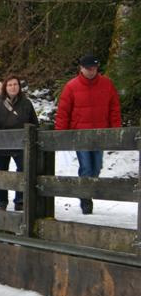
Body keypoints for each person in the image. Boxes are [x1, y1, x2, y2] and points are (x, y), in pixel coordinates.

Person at [55, 54, 122, 214]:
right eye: (88, 68)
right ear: (81, 68)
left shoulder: (107, 84)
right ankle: (85, 198)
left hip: (100, 133)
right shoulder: (71, 86)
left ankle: (87, 190)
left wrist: (116, 130)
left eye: (94, 68)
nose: (91, 71)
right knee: (86, 166)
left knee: (97, 166)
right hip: (80, 134)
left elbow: (114, 108)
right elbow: (64, 112)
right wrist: (60, 135)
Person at [0, 75, 38, 211]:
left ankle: (20, 200)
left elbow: (34, 123)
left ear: (19, 87)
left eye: (15, 84)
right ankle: (2, 202)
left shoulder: (26, 104)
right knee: (2, 173)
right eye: (10, 85)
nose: (13, 87)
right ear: (5, 88)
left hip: (21, 145)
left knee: (22, 171)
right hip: (2, 144)